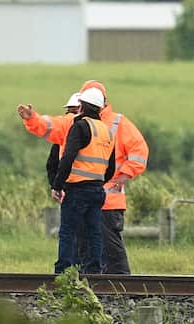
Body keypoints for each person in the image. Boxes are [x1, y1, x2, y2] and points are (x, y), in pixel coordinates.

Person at [18, 79, 149, 273]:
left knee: (101, 247)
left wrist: (124, 175)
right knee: (89, 247)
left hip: (98, 198)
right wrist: (32, 119)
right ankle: (104, 285)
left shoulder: (107, 123)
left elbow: (139, 151)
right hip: (101, 195)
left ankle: (118, 286)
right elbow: (51, 125)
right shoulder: (92, 123)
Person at [50, 87, 115, 275]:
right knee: (94, 231)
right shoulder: (107, 131)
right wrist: (98, 181)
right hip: (97, 189)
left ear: (82, 106)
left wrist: (57, 184)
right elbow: (111, 167)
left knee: (68, 231)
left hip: (77, 189)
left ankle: (63, 270)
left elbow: (68, 157)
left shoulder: (79, 126)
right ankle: (94, 269)